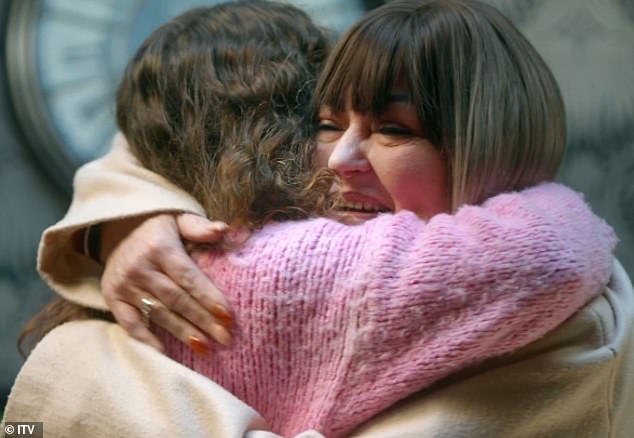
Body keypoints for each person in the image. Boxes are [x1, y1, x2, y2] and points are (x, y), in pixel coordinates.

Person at [5, 1, 633, 437]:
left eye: (392, 129)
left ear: (487, 139)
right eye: (326, 124)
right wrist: (128, 220)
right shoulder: (209, 251)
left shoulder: (567, 311)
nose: (338, 158)